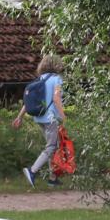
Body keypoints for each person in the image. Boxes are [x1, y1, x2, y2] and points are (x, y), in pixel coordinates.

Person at [13, 54, 66, 187]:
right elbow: (56, 99)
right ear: (56, 65)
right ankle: (32, 171)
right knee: (51, 147)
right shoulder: (57, 79)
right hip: (51, 118)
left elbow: (28, 102)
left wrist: (19, 117)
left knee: (52, 146)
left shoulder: (39, 79)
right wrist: (64, 117)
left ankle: (52, 178)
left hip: (39, 117)